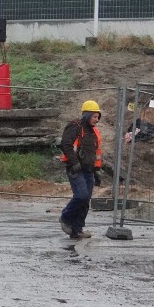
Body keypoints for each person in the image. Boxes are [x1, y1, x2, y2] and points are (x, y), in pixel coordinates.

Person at [59, 100, 102, 239]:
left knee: (85, 200)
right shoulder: (75, 126)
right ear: (87, 115)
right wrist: (74, 162)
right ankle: (65, 217)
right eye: (94, 116)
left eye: (97, 117)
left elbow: (96, 152)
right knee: (81, 195)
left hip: (89, 169)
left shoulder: (94, 131)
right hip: (75, 168)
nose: (97, 119)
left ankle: (77, 229)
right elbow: (66, 144)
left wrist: (97, 170)